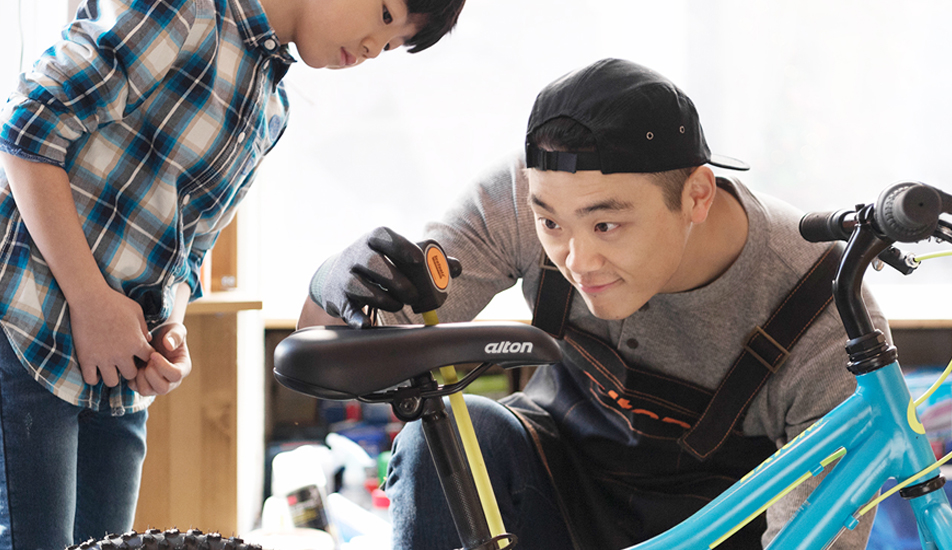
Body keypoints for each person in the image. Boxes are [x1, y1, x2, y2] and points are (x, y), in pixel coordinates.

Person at [0, 0, 467, 548]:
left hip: (117, 366)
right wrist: (91, 301)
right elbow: (27, 126)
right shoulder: (186, 10)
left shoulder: (271, 108)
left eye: (394, 44)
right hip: (27, 321)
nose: (375, 48)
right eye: (384, 14)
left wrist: (171, 328)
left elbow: (190, 247)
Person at [301, 58, 881, 549]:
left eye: (606, 225)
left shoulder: (825, 313)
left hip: (714, 531)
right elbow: (339, 355)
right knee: (450, 432)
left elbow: (817, 536)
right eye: (551, 224)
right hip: (551, 489)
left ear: (697, 195)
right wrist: (333, 285)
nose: (576, 260)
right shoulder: (528, 197)